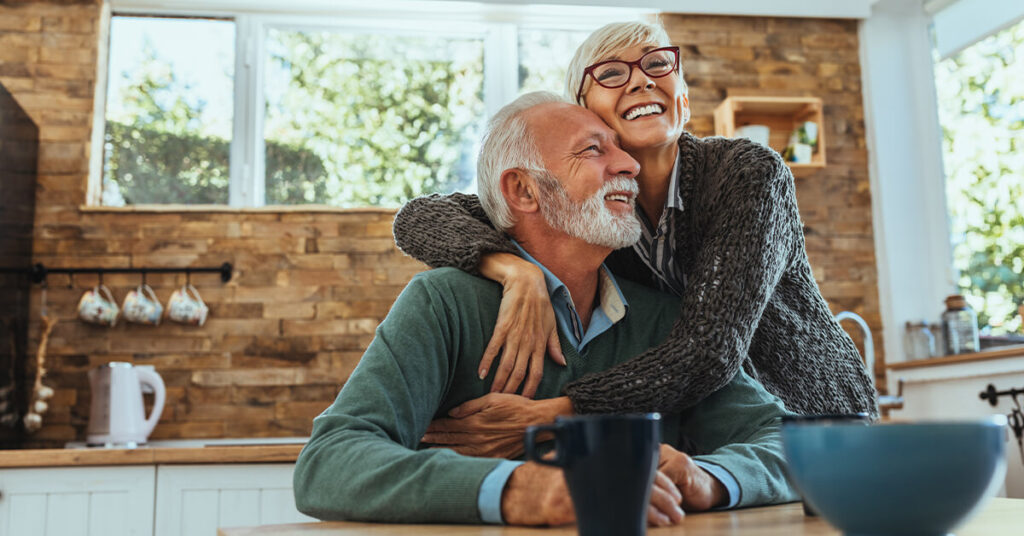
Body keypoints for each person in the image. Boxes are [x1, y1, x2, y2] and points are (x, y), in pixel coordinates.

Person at [293, 92, 798, 526]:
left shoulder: (664, 319)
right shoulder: (443, 303)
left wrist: (706, 476)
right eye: (594, 150)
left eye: (620, 150)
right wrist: (521, 489)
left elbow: (786, 443)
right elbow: (329, 463)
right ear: (523, 190)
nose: (629, 165)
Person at [392, 21, 877, 453]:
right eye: (611, 73)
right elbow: (420, 217)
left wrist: (554, 413)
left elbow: (709, 350)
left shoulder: (748, 174)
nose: (642, 79)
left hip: (811, 421)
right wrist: (512, 269)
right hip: (700, 437)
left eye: (657, 64)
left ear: (682, 95)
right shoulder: (588, 210)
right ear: (584, 111)